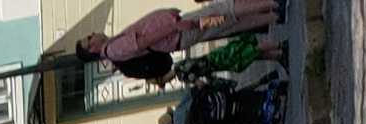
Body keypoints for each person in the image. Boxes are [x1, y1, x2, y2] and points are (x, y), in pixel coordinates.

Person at [82, 4, 282, 70]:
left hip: (177, 32)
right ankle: (273, 4)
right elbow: (145, 41)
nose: (92, 35)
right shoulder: (113, 49)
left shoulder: (112, 48)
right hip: (179, 32)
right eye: (88, 39)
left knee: (225, 21)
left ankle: (273, 14)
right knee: (222, 13)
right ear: (91, 49)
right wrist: (174, 25)